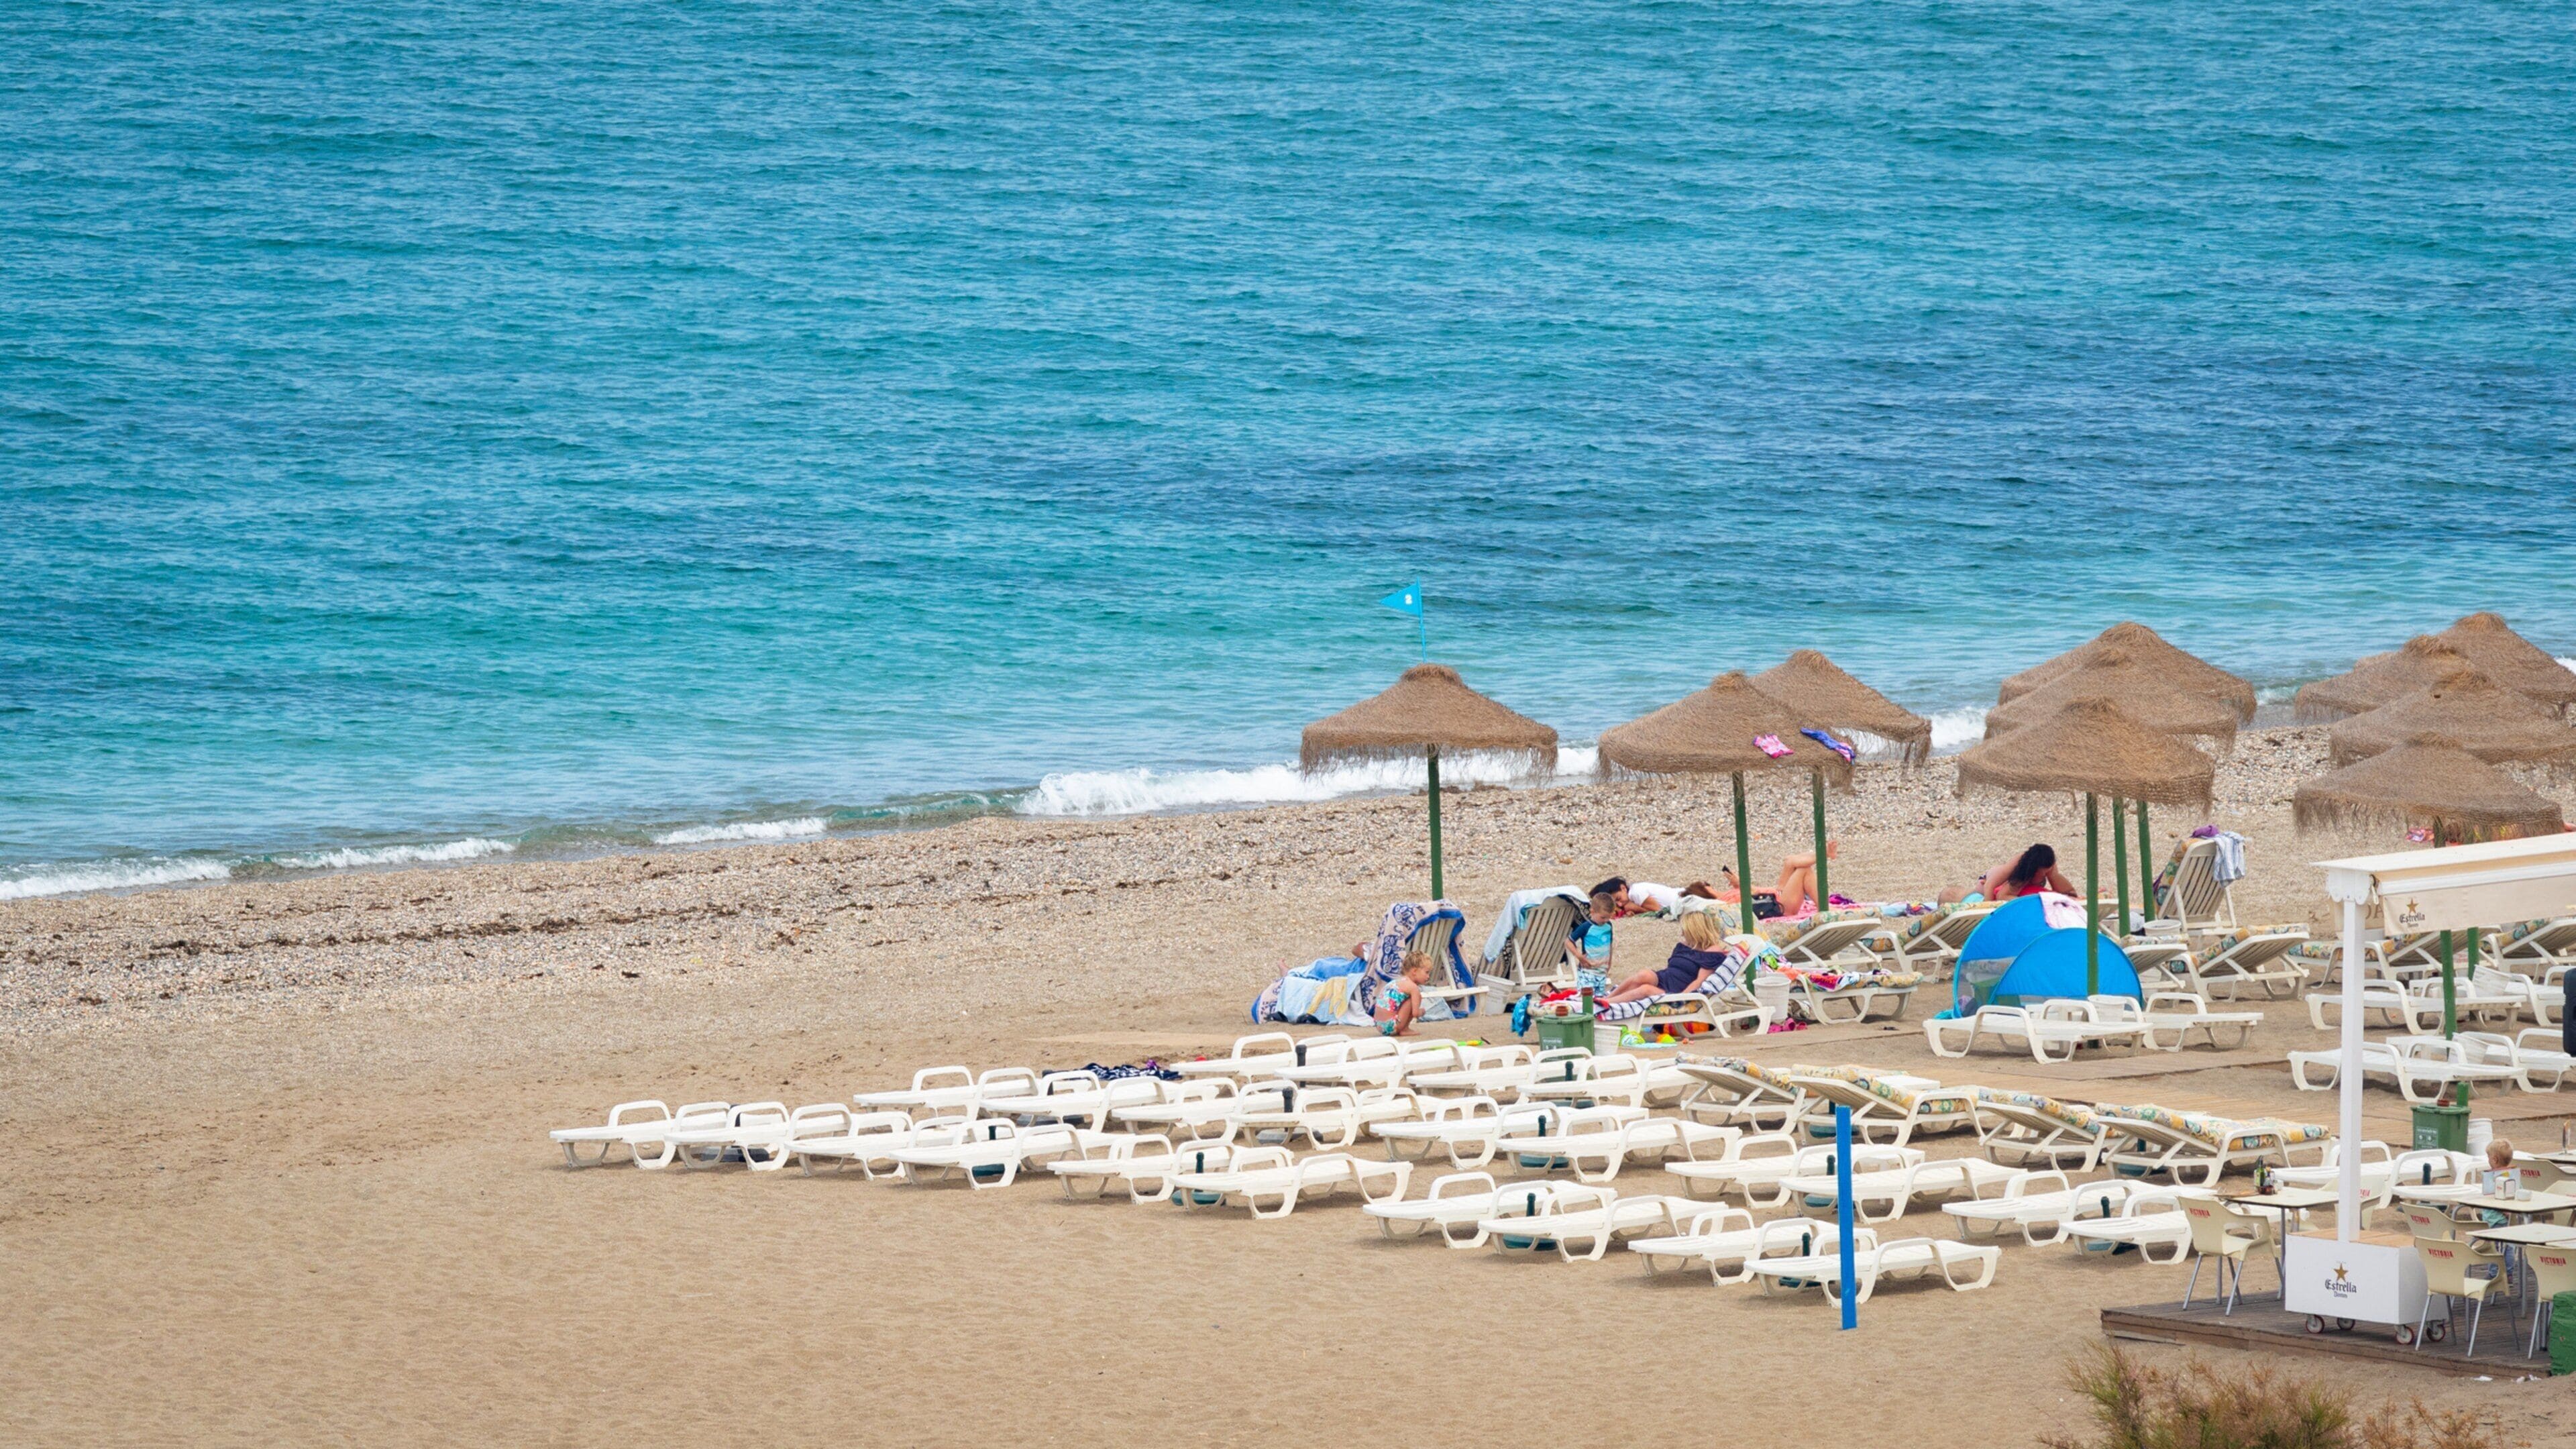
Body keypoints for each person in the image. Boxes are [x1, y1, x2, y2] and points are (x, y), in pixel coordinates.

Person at [1597, 910, 1738, 1005]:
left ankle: (1608, 1004)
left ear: (1695, 931)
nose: (1682, 934)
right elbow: (1672, 967)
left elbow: (1700, 982)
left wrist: (1682, 998)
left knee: (1646, 989)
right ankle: (1606, 998)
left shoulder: (1712, 951)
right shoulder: (1685, 945)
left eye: (1685, 930)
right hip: (1666, 979)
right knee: (1644, 974)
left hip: (1677, 991)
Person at [1943, 844, 2076, 904]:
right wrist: (1987, 910)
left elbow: (2070, 893)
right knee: (1963, 894)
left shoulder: (2048, 864)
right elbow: (1996, 891)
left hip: (2001, 885)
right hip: (1988, 882)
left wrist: (2053, 875)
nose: (2044, 876)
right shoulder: (2021, 867)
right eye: (2042, 874)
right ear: (2034, 869)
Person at [1374, 950, 1437, 1037]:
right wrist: (1422, 1012)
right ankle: (1405, 1029)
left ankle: (1402, 1028)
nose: (1428, 976)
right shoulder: (1413, 988)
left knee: (1405, 1000)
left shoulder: (1399, 981)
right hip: (1391, 1026)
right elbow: (1415, 1014)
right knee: (1413, 999)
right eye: (1427, 972)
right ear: (1414, 971)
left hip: (1379, 1025)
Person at [1571, 890, 1618, 974]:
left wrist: (1609, 963)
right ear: (1592, 912)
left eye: (1609, 917)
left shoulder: (1608, 925)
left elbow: (1609, 945)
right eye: (1603, 917)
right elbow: (1568, 941)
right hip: (1587, 969)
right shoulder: (1586, 927)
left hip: (1602, 968)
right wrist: (1579, 956)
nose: (1606, 920)